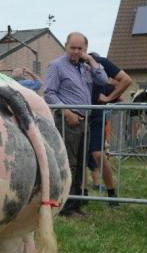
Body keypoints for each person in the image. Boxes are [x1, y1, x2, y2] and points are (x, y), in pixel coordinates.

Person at [44, 32, 110, 217]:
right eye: (72, 47)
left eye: (80, 48)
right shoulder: (57, 66)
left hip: (84, 120)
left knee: (81, 163)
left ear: (85, 49)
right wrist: (66, 111)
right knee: (69, 163)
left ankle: (75, 203)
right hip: (68, 120)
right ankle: (65, 206)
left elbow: (103, 80)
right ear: (66, 46)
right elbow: (49, 93)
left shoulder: (85, 66)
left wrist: (91, 60)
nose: (76, 51)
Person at [84, 53, 133, 207]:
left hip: (96, 115)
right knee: (79, 155)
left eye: (81, 48)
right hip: (77, 113)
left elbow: (126, 80)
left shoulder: (101, 62)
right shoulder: (70, 63)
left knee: (98, 154)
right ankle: (81, 194)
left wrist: (109, 98)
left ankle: (111, 193)